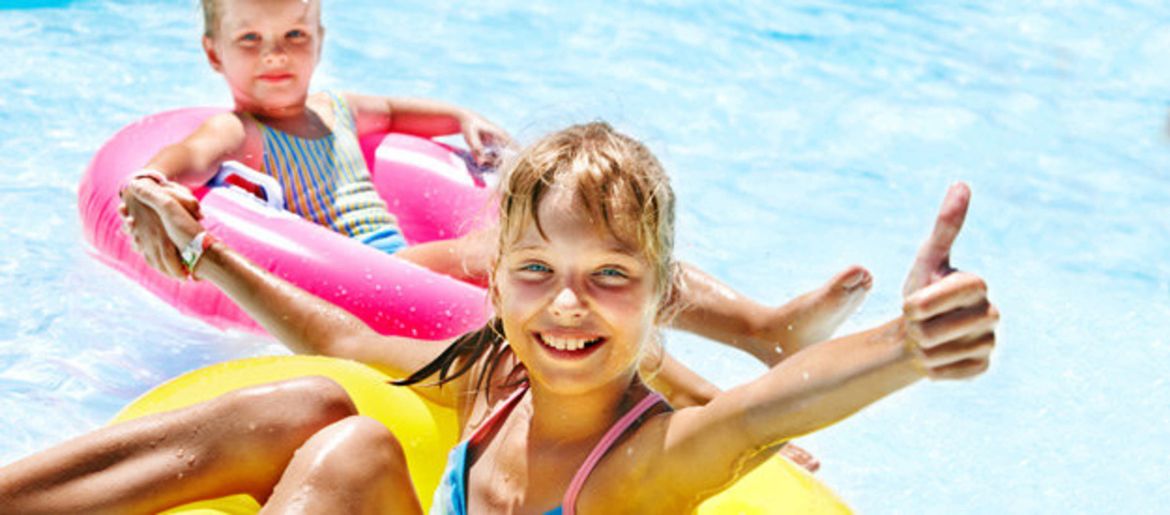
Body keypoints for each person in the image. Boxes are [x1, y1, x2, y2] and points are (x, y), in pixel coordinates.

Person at [0, 122, 997, 513]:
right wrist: (206, 250)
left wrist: (906, 346)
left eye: (609, 274)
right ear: (498, 282)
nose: (566, 302)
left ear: (660, 298)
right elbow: (346, 342)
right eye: (536, 269)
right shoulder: (493, 379)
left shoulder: (643, 461)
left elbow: (767, 409)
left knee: (342, 442)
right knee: (323, 417)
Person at [120, 0, 874, 436]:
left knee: (579, 261)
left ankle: (760, 325)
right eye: (249, 41)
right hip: (361, 274)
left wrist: (466, 120)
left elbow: (416, 112)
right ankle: (711, 397)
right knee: (518, 268)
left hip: (398, 251)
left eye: (293, 36)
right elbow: (184, 157)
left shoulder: (337, 109)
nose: (274, 56)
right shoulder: (238, 131)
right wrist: (153, 186)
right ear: (214, 55)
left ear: (318, 39)